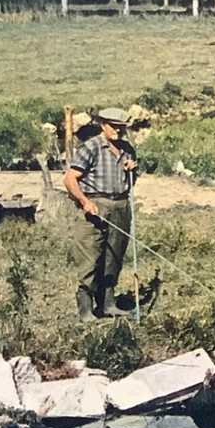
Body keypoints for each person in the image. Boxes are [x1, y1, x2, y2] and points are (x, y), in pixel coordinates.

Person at [63, 107, 139, 322]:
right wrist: (85, 202)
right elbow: (70, 179)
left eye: (121, 128)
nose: (118, 131)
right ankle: (86, 310)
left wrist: (131, 169)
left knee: (114, 256)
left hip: (121, 206)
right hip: (95, 205)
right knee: (90, 256)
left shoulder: (127, 149)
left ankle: (108, 304)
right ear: (103, 125)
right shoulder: (91, 147)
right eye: (114, 126)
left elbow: (132, 180)